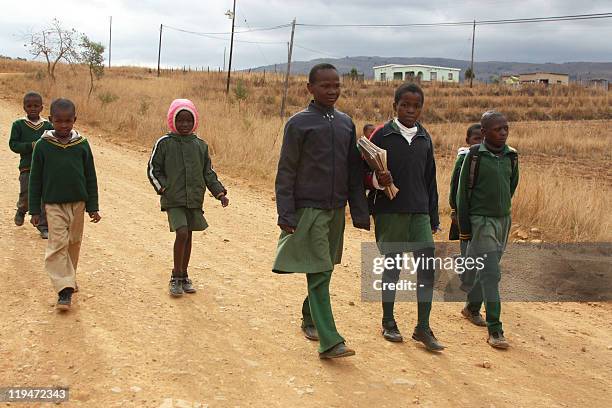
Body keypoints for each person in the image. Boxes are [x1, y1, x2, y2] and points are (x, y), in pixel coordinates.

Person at [273, 63, 370, 359]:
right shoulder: (299, 124)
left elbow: (353, 171)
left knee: (324, 268)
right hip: (309, 210)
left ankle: (309, 316)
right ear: (310, 89)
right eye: (325, 86)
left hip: (335, 210)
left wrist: (360, 211)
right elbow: (286, 171)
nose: (332, 91)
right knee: (319, 271)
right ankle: (330, 341)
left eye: (336, 85)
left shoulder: (345, 123)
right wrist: (286, 213)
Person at [367, 83, 444, 351]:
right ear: (395, 106)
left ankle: (423, 327)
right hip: (391, 213)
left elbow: (430, 180)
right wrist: (377, 179)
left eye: (416, 106)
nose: (410, 110)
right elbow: (361, 171)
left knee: (426, 270)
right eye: (405, 105)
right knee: (393, 267)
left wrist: (433, 216)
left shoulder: (424, 138)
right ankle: (388, 321)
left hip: (420, 212)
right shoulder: (382, 135)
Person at [147, 99, 229, 297]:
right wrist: (163, 188)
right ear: (172, 120)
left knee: (189, 235)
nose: (184, 125)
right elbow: (153, 169)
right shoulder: (164, 143)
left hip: (194, 199)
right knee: (182, 232)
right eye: (180, 120)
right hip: (173, 199)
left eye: (188, 121)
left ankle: (184, 276)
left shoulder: (200, 145)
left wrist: (219, 192)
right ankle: (175, 277)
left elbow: (208, 172)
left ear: (195, 121)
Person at [29, 98, 100, 310]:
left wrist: (93, 206)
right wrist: (34, 210)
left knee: (74, 243)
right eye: (58, 121)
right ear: (51, 120)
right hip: (53, 205)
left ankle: (68, 276)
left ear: (74, 120)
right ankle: (64, 290)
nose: (63, 125)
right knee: (57, 244)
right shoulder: (42, 146)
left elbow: (90, 177)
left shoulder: (82, 145)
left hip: (78, 203)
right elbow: (35, 180)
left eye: (68, 121)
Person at [456, 111, 519, 349]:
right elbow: (462, 195)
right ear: (483, 133)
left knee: (484, 271)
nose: (503, 133)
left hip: (503, 220)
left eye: (506, 128)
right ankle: (496, 329)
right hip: (481, 222)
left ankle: (471, 308)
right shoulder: (472, 157)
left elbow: (511, 185)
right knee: (492, 274)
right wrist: (465, 230)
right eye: (497, 129)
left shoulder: (512, 156)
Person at [448, 124, 486, 325]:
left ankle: (472, 301)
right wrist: (455, 208)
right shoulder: (464, 158)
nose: (479, 143)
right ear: (468, 141)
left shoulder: (489, 158)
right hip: (464, 215)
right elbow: (455, 185)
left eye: (482, 139)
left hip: (482, 218)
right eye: (475, 139)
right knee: (468, 251)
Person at [9, 91, 53, 238]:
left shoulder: (48, 125)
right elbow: (13, 145)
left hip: (44, 168)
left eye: (36, 106)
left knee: (43, 197)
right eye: (29, 106)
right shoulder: (19, 124)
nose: (32, 108)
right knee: (26, 193)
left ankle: (43, 226)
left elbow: (54, 142)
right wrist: (31, 146)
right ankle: (22, 210)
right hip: (27, 166)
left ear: (41, 107)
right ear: (24, 107)